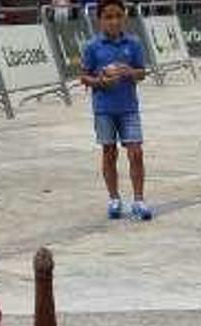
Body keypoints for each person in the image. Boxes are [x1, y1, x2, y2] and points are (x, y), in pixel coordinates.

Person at [81, 0, 151, 221]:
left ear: (124, 18)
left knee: (136, 152)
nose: (114, 21)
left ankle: (139, 200)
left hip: (129, 107)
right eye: (108, 17)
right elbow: (84, 76)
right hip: (104, 109)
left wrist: (130, 72)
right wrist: (100, 81)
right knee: (109, 153)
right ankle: (114, 198)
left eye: (118, 16)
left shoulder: (133, 43)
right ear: (99, 19)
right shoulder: (92, 47)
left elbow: (142, 72)